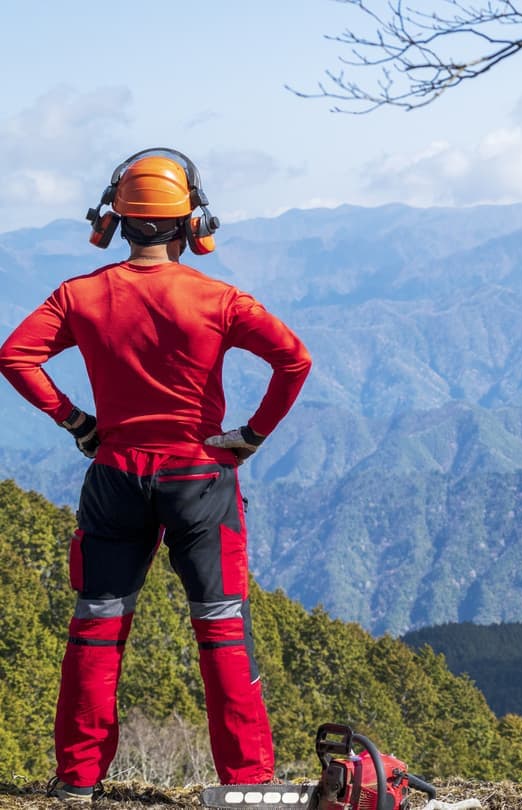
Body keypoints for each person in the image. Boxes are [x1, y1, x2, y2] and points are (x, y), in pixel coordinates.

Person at [0, 148, 311, 801]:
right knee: (221, 627)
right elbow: (294, 362)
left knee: (97, 626)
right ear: (191, 223)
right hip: (200, 480)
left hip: (114, 478)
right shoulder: (219, 298)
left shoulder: (78, 295)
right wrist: (250, 437)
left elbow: (15, 357)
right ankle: (247, 785)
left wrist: (78, 423)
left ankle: (78, 782)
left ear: (116, 219)